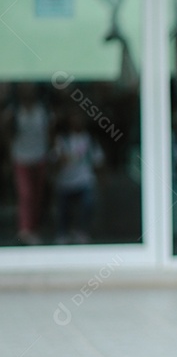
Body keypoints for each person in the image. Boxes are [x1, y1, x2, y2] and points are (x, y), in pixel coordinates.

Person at [3, 84, 51, 245]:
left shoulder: (42, 110)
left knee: (37, 195)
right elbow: (7, 134)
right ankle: (24, 230)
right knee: (25, 194)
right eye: (24, 87)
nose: (28, 90)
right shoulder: (14, 110)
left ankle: (34, 228)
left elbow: (48, 133)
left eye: (30, 87)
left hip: (39, 156)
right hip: (21, 157)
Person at [52, 109, 104, 244]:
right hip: (66, 180)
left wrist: (101, 179)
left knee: (87, 205)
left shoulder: (90, 140)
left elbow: (98, 160)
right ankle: (63, 232)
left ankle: (82, 231)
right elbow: (54, 159)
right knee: (64, 209)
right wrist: (60, 159)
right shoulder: (62, 140)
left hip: (84, 179)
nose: (77, 122)